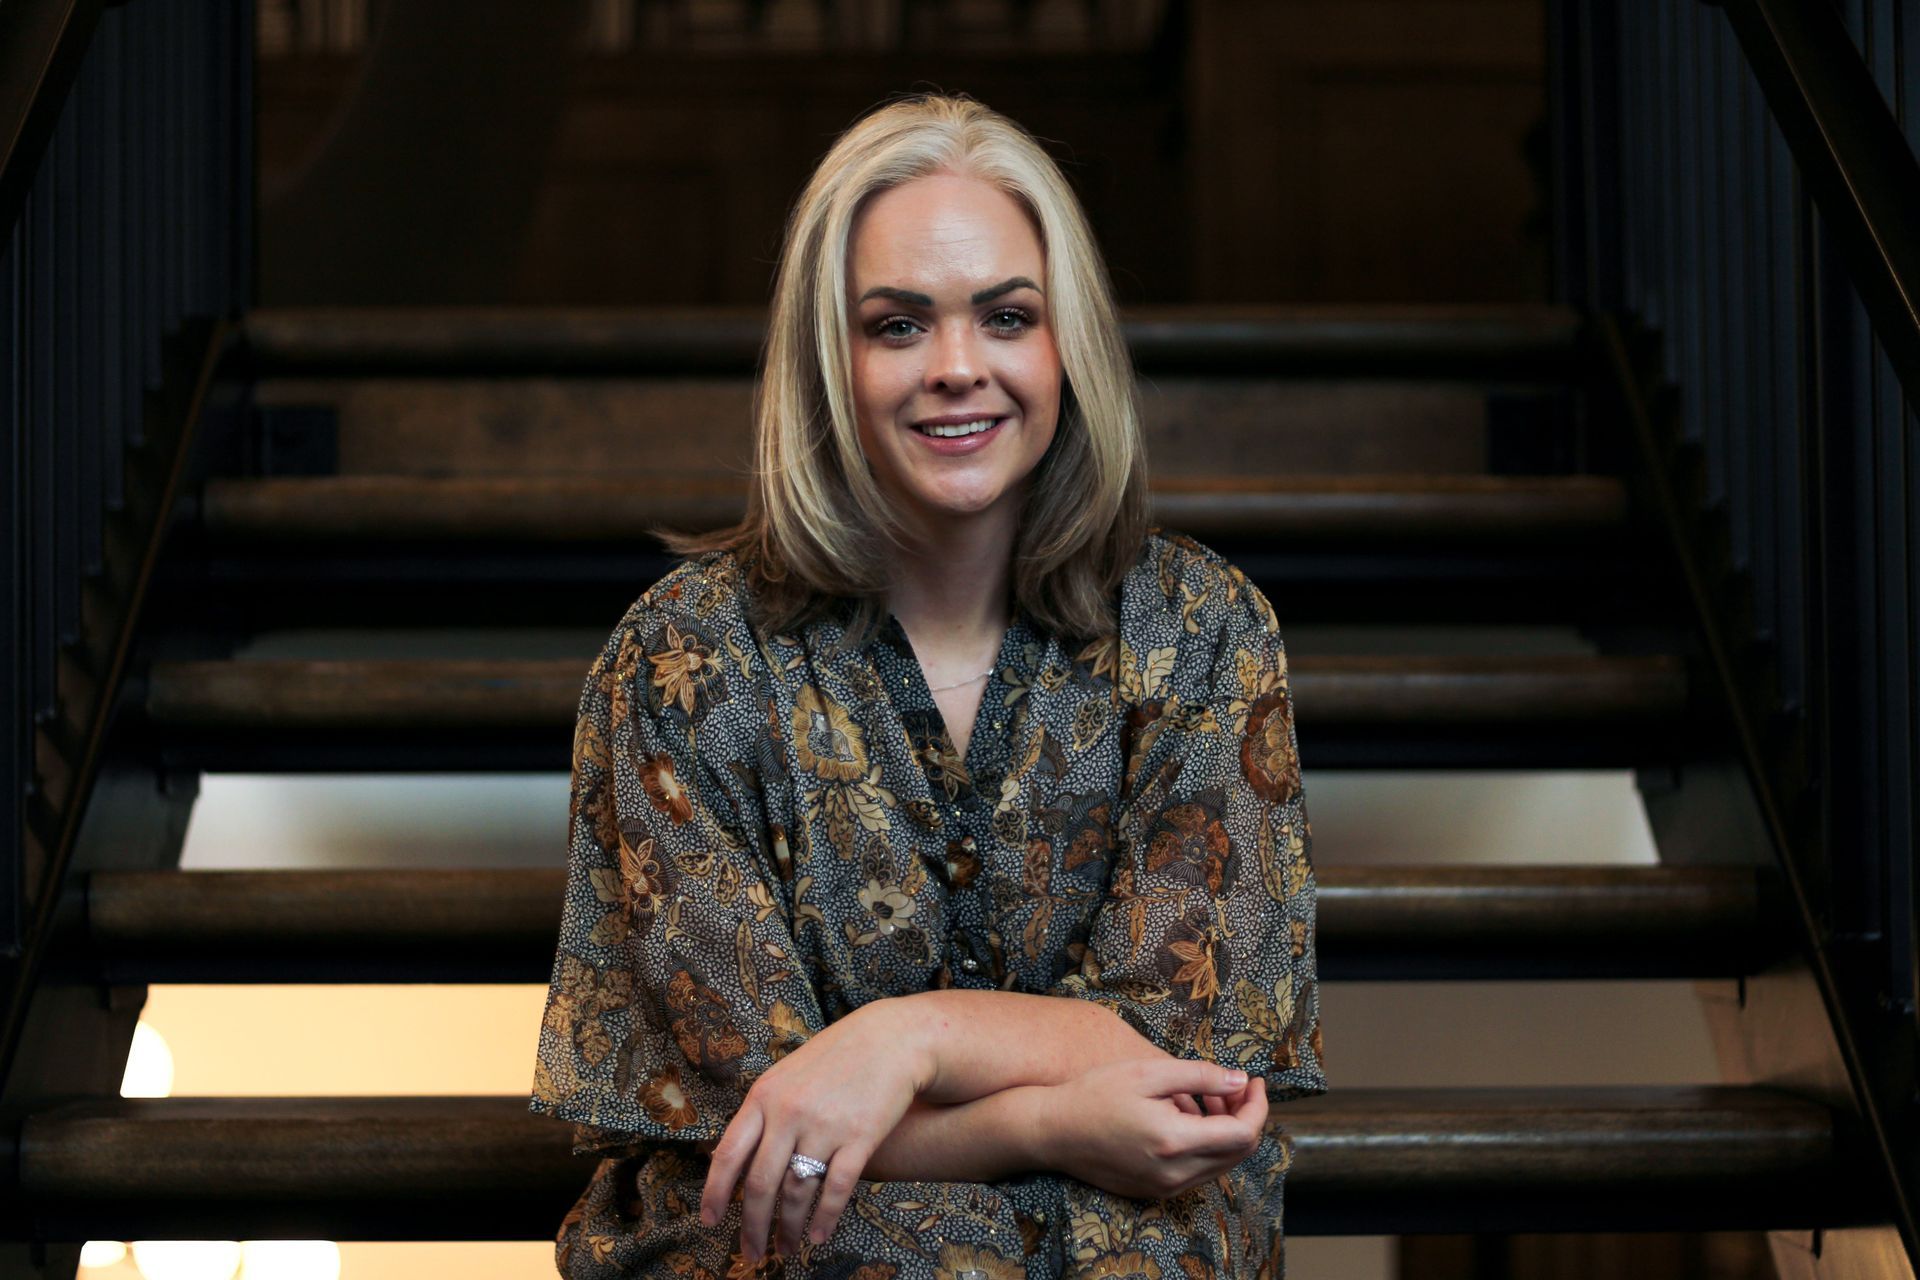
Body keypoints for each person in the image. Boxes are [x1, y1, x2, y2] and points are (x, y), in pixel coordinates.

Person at [529, 93, 1325, 1279]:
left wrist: (907, 1039)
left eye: (1007, 316)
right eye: (898, 326)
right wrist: (1043, 1118)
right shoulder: (685, 665)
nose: (959, 368)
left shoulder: (1202, 633)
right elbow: (773, 1119)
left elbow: (1174, 1057)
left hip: (1130, 1233)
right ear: (827, 358)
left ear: (1068, 347)